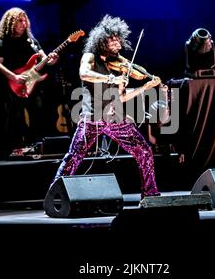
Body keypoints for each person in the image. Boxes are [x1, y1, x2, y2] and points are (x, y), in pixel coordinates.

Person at [49, 14, 161, 199]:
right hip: (93, 116)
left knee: (144, 150)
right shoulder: (90, 56)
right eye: (113, 40)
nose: (118, 43)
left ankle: (150, 193)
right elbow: (84, 74)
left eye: (119, 39)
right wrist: (111, 78)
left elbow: (121, 98)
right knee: (74, 157)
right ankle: (55, 197)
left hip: (115, 117)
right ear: (102, 40)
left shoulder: (119, 65)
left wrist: (144, 87)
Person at [0, 7, 59, 156]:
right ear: (11, 23)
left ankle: (34, 145)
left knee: (38, 111)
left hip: (33, 84)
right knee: (15, 116)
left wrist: (52, 60)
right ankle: (14, 147)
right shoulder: (3, 42)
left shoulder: (32, 41)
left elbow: (44, 59)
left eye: (25, 20)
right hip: (13, 84)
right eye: (20, 21)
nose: (24, 23)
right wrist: (14, 77)